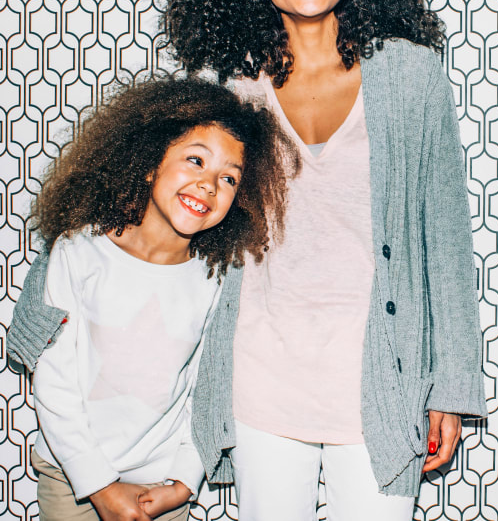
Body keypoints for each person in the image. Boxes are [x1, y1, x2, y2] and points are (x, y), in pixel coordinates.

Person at [153, 0, 487, 520]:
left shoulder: (410, 75)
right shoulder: (225, 82)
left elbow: (443, 237)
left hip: (381, 379)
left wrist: (450, 385)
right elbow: (168, 206)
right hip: (262, 376)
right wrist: (79, 286)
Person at [7, 78, 298, 521]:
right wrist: (99, 486)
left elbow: (210, 387)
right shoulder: (78, 251)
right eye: (195, 160)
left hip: (158, 489)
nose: (208, 184)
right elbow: (54, 383)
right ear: (148, 162)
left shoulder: (217, 276)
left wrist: (184, 480)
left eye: (228, 178)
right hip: (72, 479)